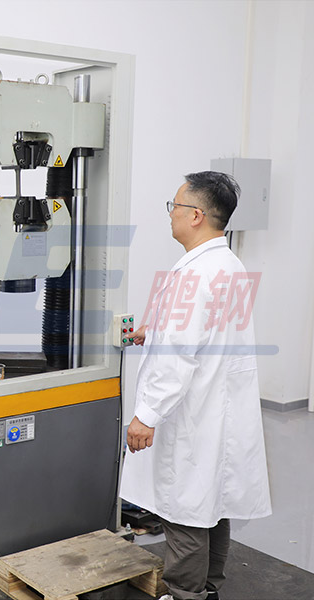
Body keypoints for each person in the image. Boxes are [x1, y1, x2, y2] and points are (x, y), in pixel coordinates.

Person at [120, 171, 271, 600]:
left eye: (175, 206)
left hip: (193, 414)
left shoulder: (195, 274)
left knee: (184, 510)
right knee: (212, 506)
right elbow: (208, 335)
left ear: (196, 216)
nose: (170, 214)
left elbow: (178, 358)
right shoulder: (227, 264)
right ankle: (209, 588)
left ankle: (184, 594)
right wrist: (157, 330)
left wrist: (146, 415)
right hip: (216, 410)